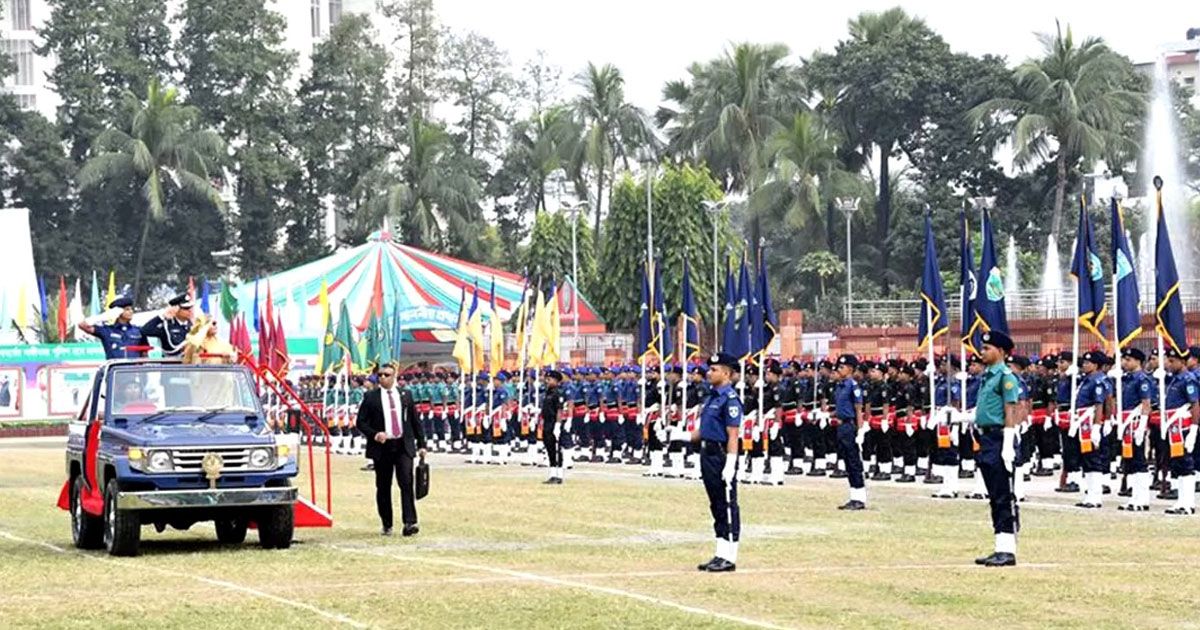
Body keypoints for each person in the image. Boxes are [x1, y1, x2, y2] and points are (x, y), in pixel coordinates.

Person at [355, 363, 426, 537]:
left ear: (394, 377)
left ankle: (410, 522)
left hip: (403, 445)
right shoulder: (371, 397)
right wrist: (374, 434)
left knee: (406, 483)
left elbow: (415, 421)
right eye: (380, 375)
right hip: (383, 446)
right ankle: (387, 523)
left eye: (386, 375)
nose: (382, 378)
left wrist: (422, 444)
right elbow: (361, 422)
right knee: (383, 486)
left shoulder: (405, 395)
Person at [972, 331, 1020, 567]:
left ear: (1001, 352)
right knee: (994, 495)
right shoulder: (987, 376)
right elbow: (985, 410)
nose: (982, 352)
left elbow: (1010, 410)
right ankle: (999, 545)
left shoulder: (1005, 376)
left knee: (1003, 495)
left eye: (987, 348)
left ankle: (1008, 549)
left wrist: (1009, 444)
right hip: (986, 439)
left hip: (1000, 439)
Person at [691, 353, 743, 573]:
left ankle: (730, 556)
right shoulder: (712, 397)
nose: (709, 373)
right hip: (707, 454)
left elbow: (733, 434)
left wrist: (731, 463)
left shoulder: (730, 399)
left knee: (727, 505)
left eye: (714, 369)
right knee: (716, 505)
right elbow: (703, 431)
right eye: (709, 369)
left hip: (721, 455)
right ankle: (720, 552)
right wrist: (678, 436)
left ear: (727, 374)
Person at [833, 354, 867, 510]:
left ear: (850, 369)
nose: (839, 370)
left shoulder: (853, 386)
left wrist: (860, 431)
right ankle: (853, 496)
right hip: (841, 426)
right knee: (847, 461)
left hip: (850, 426)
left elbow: (858, 410)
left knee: (854, 462)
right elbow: (840, 409)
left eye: (842, 367)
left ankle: (860, 498)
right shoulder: (840, 386)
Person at [77, 297, 148, 360]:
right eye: (127, 309)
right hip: (115, 371)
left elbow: (144, 353)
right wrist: (103, 317)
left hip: (133, 371)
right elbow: (82, 325)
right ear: (117, 312)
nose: (131, 311)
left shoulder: (139, 331)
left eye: (131, 309)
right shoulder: (107, 330)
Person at [141, 293, 195, 358]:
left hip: (190, 364)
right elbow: (144, 331)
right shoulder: (166, 325)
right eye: (186, 308)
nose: (190, 311)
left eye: (190, 308)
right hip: (171, 364)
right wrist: (161, 317)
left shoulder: (193, 326)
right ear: (176, 309)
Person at [541, 370, 566, 484]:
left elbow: (559, 410)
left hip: (554, 423)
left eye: (549, 379)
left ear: (556, 380)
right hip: (547, 423)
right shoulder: (548, 392)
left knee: (556, 449)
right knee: (549, 448)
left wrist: (558, 424)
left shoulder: (558, 393)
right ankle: (552, 473)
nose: (547, 381)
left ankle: (559, 475)